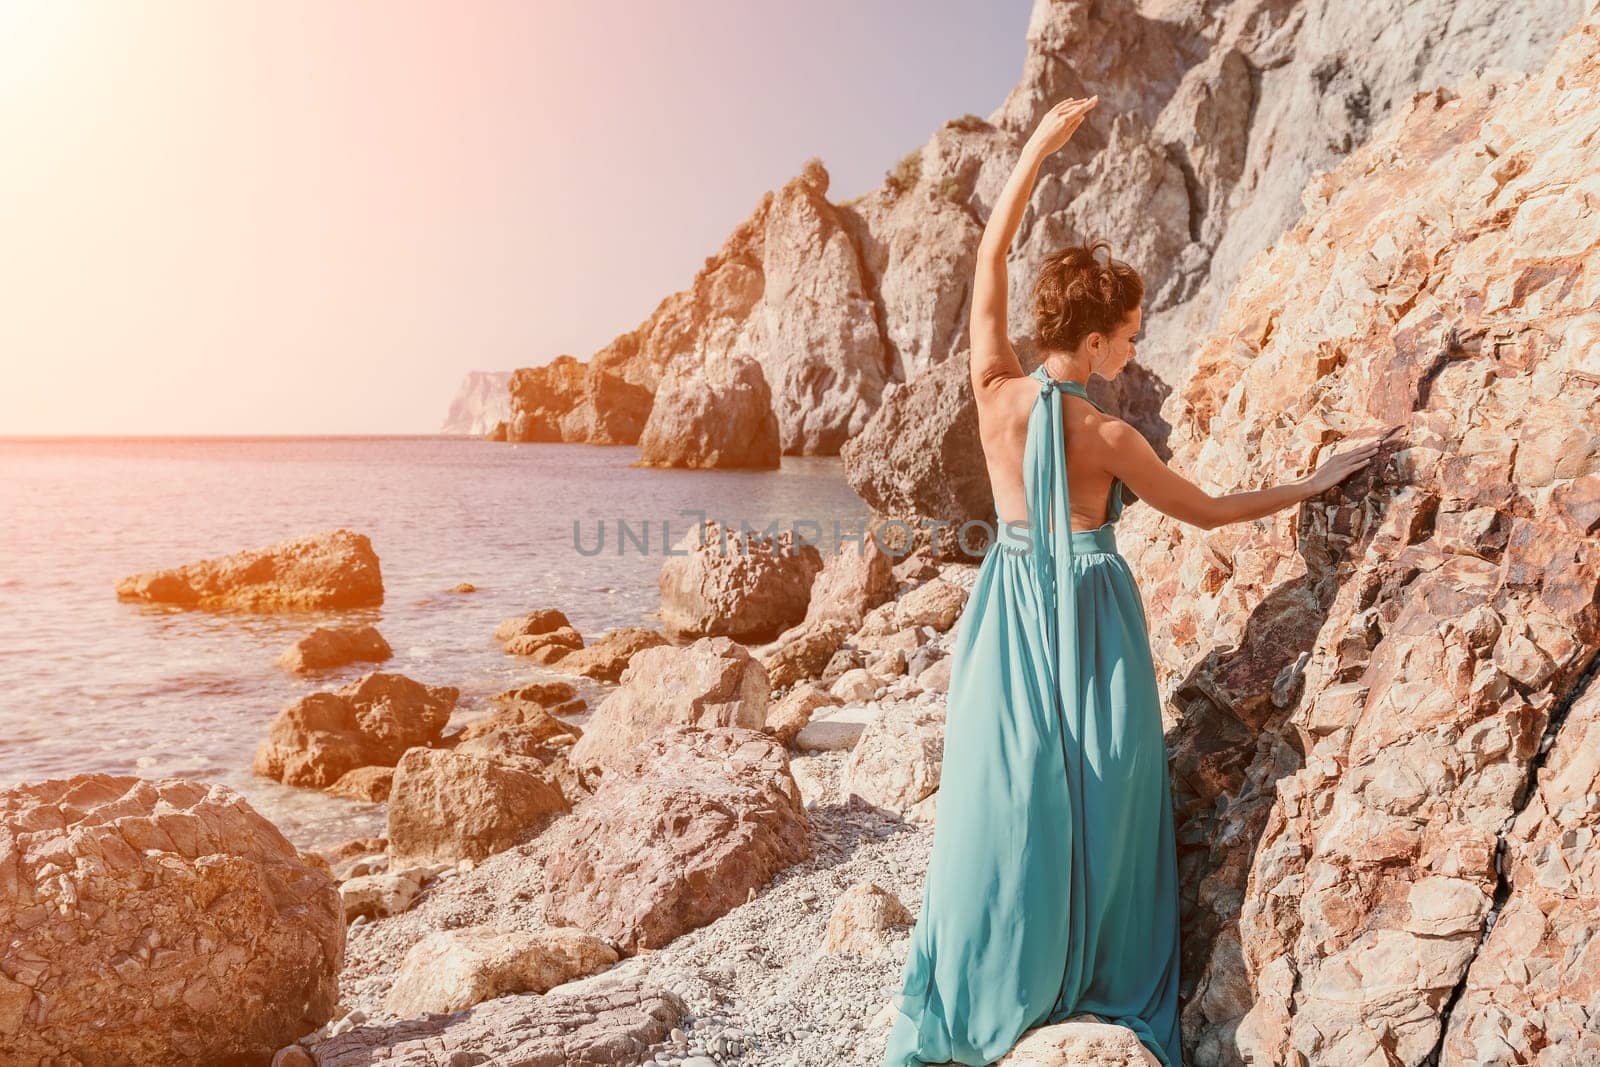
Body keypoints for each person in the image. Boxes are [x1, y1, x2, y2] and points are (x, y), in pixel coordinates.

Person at [881, 96, 1397, 1067]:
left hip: (1006, 605)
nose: (1132, 348)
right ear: (1090, 342)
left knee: (1006, 789)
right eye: (1126, 333)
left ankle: (989, 968)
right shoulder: (1108, 436)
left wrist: (1036, 147)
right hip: (1085, 605)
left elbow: (990, 260)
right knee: (1109, 793)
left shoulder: (994, 394)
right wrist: (1313, 481)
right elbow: (1206, 510)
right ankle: (1088, 969)